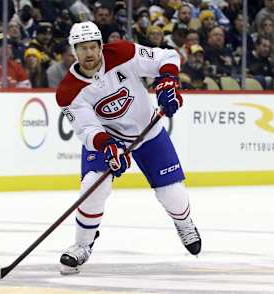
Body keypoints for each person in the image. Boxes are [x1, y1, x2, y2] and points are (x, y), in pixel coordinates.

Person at [56, 21, 201, 275]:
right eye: (82, 49)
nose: (89, 54)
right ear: (73, 51)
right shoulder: (68, 91)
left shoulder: (123, 53)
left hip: (148, 129)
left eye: (93, 47)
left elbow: (167, 56)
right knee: (92, 186)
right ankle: (82, 245)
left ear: (101, 46)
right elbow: (87, 129)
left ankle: (184, 223)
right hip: (108, 137)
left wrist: (168, 81)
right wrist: (108, 146)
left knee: (173, 196)